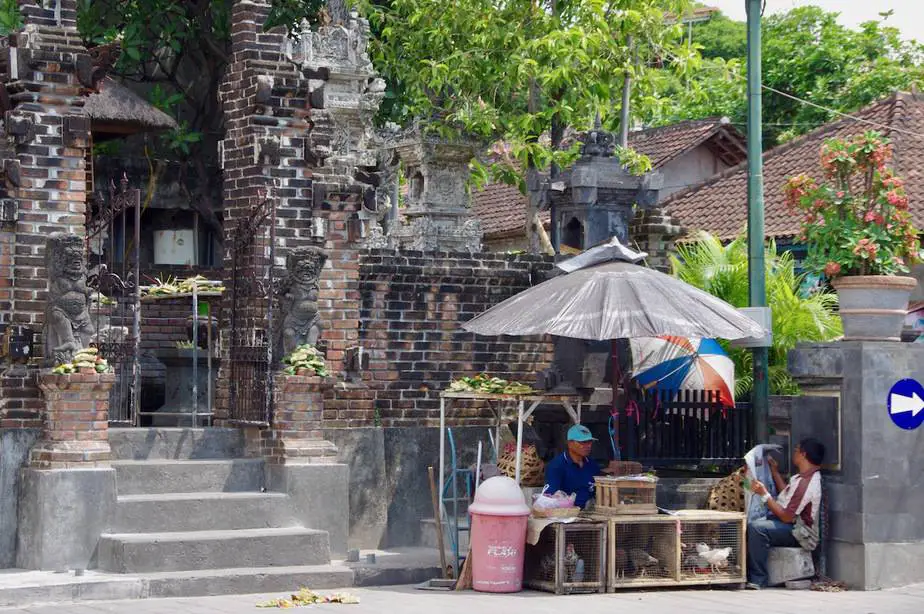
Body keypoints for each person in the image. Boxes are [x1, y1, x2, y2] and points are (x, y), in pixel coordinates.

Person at [745, 437, 825, 589]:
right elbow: (787, 495)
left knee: (757, 528)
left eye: (796, 450)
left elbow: (786, 516)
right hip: (792, 524)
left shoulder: (807, 483)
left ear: (803, 454)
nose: (793, 453)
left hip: (800, 534)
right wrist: (775, 472)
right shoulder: (801, 477)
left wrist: (764, 494)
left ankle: (758, 579)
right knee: (757, 519)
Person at [544, 424, 604, 509]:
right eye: (583, 442)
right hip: (566, 515)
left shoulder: (592, 465)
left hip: (590, 513)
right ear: (570, 443)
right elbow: (551, 496)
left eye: (590, 442)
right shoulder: (556, 466)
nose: (588, 445)